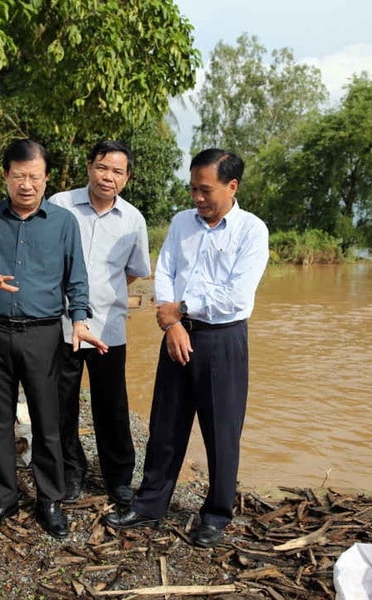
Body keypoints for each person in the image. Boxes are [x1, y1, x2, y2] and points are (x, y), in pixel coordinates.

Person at [104, 149, 269, 548]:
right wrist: (174, 321)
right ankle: (150, 504)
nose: (197, 197)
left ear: (232, 187)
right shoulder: (181, 223)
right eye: (193, 188)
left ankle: (216, 513)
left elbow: (236, 296)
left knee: (222, 431)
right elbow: (167, 273)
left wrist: (182, 309)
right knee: (166, 424)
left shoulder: (251, 230)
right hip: (178, 333)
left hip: (222, 339)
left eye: (206, 190)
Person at [0, 139, 107, 539]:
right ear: (4, 176)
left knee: (47, 421)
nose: (26, 185)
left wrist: (78, 319)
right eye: (18, 176)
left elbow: (77, 278)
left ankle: (49, 498)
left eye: (34, 177)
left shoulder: (62, 222)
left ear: (46, 178)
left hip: (42, 336)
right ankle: (1, 497)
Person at [48, 141, 150, 506]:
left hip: (108, 328)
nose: (109, 177)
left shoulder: (133, 220)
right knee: (62, 403)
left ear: (126, 178)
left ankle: (118, 477)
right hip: (59, 326)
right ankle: (70, 472)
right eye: (103, 167)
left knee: (112, 406)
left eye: (118, 172)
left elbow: (134, 273)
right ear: (89, 166)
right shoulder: (59, 205)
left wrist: (104, 296)